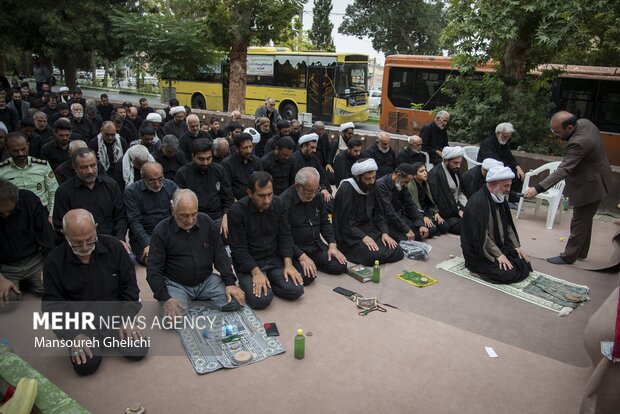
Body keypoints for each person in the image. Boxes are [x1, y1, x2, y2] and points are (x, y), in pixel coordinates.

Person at [42, 209, 147, 376]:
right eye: (77, 242)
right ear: (64, 234)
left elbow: (130, 287)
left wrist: (127, 318)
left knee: (138, 350)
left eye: (90, 240)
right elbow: (52, 306)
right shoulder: (53, 263)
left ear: (96, 228)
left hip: (116, 318)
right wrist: (73, 335)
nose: (84, 247)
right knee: (86, 367)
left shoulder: (114, 247)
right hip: (83, 326)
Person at [524, 111, 614, 265]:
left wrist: (537, 188)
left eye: (557, 131)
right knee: (585, 220)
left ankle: (569, 256)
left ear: (570, 127)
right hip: (599, 176)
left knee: (579, 220)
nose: (555, 135)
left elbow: (563, 170)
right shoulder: (585, 122)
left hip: (591, 185)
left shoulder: (578, 143)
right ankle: (581, 251)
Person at [147, 189, 245, 316]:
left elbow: (220, 253)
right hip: (177, 284)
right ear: (173, 211)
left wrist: (230, 283)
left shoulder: (206, 222)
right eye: (184, 215)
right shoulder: (161, 231)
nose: (190, 220)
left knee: (236, 302)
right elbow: (153, 269)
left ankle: (198, 298)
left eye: (194, 214)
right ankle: (190, 300)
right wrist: (165, 298)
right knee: (171, 319)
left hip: (206, 280)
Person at [228, 172, 303, 309]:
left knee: (297, 290)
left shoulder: (279, 204)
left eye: (270, 194)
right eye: (261, 196)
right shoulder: (236, 211)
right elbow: (238, 249)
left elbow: (285, 236)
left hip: (273, 259)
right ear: (250, 193)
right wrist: (256, 272)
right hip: (250, 264)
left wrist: (288, 264)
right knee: (261, 301)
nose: (267, 200)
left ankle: (270, 281)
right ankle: (264, 283)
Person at [461, 166, 532, 284]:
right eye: (506, 186)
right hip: (481, 251)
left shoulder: (500, 197)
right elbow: (480, 237)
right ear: (493, 184)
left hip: (499, 245)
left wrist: (516, 246)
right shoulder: (478, 203)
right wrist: (498, 255)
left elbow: (508, 225)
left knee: (524, 263)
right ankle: (476, 270)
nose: (509, 189)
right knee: (508, 273)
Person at [333, 158, 404, 266]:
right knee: (373, 256)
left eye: (374, 177)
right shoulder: (346, 189)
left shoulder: (372, 187)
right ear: (358, 177)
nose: (371, 181)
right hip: (351, 234)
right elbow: (344, 223)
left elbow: (378, 213)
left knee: (397, 250)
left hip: (370, 229)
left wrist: (385, 233)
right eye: (367, 179)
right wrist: (363, 237)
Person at [52, 148, 128, 249]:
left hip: (112, 242)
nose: (90, 171)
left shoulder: (111, 185)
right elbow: (61, 225)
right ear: (75, 167)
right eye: (84, 167)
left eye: (93, 165)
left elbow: (121, 216)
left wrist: (120, 239)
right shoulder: (64, 192)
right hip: (82, 246)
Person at [280, 167, 348, 277]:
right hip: (296, 249)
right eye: (309, 191)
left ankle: (313, 263)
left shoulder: (317, 196)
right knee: (307, 276)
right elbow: (284, 237)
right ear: (298, 186)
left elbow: (325, 223)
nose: (313, 195)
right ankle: (306, 263)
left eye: (316, 190)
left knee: (340, 265)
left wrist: (332, 244)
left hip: (315, 245)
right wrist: (301, 256)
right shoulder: (284, 202)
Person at [0, 179, 55, 311]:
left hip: (34, 261)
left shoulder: (29, 200)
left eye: (8, 211)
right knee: (7, 301)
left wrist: (49, 267)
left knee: (56, 286)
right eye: (0, 214)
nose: (5, 216)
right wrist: (1, 280)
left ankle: (28, 283)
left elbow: (46, 237)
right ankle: (18, 284)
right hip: (5, 267)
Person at [174, 139, 233, 235]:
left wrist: (226, 216)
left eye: (209, 158)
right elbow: (179, 203)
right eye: (201, 159)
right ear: (193, 156)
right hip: (194, 218)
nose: (205, 162)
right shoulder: (183, 174)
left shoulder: (219, 170)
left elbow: (228, 198)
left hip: (218, 217)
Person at [125, 162, 178, 265]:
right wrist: (147, 243)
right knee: (153, 261)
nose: (157, 184)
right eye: (152, 181)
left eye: (160, 179)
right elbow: (134, 222)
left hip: (168, 232)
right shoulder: (132, 192)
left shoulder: (170, 185)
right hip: (145, 235)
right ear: (143, 178)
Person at [0, 132, 58, 218]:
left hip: (40, 213)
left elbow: (53, 191)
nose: (21, 154)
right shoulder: (2, 170)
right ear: (7, 149)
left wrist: (51, 215)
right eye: (15, 151)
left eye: (23, 149)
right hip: (14, 216)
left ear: (28, 145)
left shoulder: (42, 166)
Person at [376, 163, 429, 241]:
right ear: (398, 175)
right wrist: (406, 230)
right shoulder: (381, 185)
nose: (406, 185)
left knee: (425, 231)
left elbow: (409, 204)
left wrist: (420, 223)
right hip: (386, 221)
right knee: (406, 238)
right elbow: (389, 212)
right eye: (406, 182)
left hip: (399, 216)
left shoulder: (401, 184)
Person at [477, 122, 525, 205]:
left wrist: (518, 167)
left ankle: (512, 200)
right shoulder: (488, 143)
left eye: (509, 135)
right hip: (490, 168)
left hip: (502, 167)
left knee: (518, 175)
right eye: (505, 135)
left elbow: (510, 157)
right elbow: (489, 160)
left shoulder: (504, 143)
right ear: (498, 133)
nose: (507, 137)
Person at [427, 146, 467, 234]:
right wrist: (458, 211)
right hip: (446, 214)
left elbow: (460, 192)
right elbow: (438, 201)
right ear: (446, 161)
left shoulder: (454, 170)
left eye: (460, 163)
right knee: (466, 227)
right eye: (455, 163)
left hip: (457, 207)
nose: (458, 166)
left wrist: (462, 208)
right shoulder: (436, 174)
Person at [407, 162, 450, 237]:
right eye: (421, 171)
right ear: (414, 175)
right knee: (432, 231)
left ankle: (433, 226)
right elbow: (412, 206)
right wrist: (423, 217)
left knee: (445, 227)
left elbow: (429, 202)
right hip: (417, 212)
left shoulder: (425, 184)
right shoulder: (410, 186)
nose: (425, 173)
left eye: (425, 170)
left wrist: (435, 212)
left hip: (426, 210)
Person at [290, 133, 333, 205]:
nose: (315, 150)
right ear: (304, 146)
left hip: (316, 191)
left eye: (315, 148)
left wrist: (323, 189)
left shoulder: (314, 159)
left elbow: (322, 177)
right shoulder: (294, 159)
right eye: (312, 147)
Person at [221, 132, 263, 200]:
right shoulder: (227, 164)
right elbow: (226, 189)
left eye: (250, 146)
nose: (249, 151)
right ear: (237, 148)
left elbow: (260, 181)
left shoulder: (257, 161)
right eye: (245, 148)